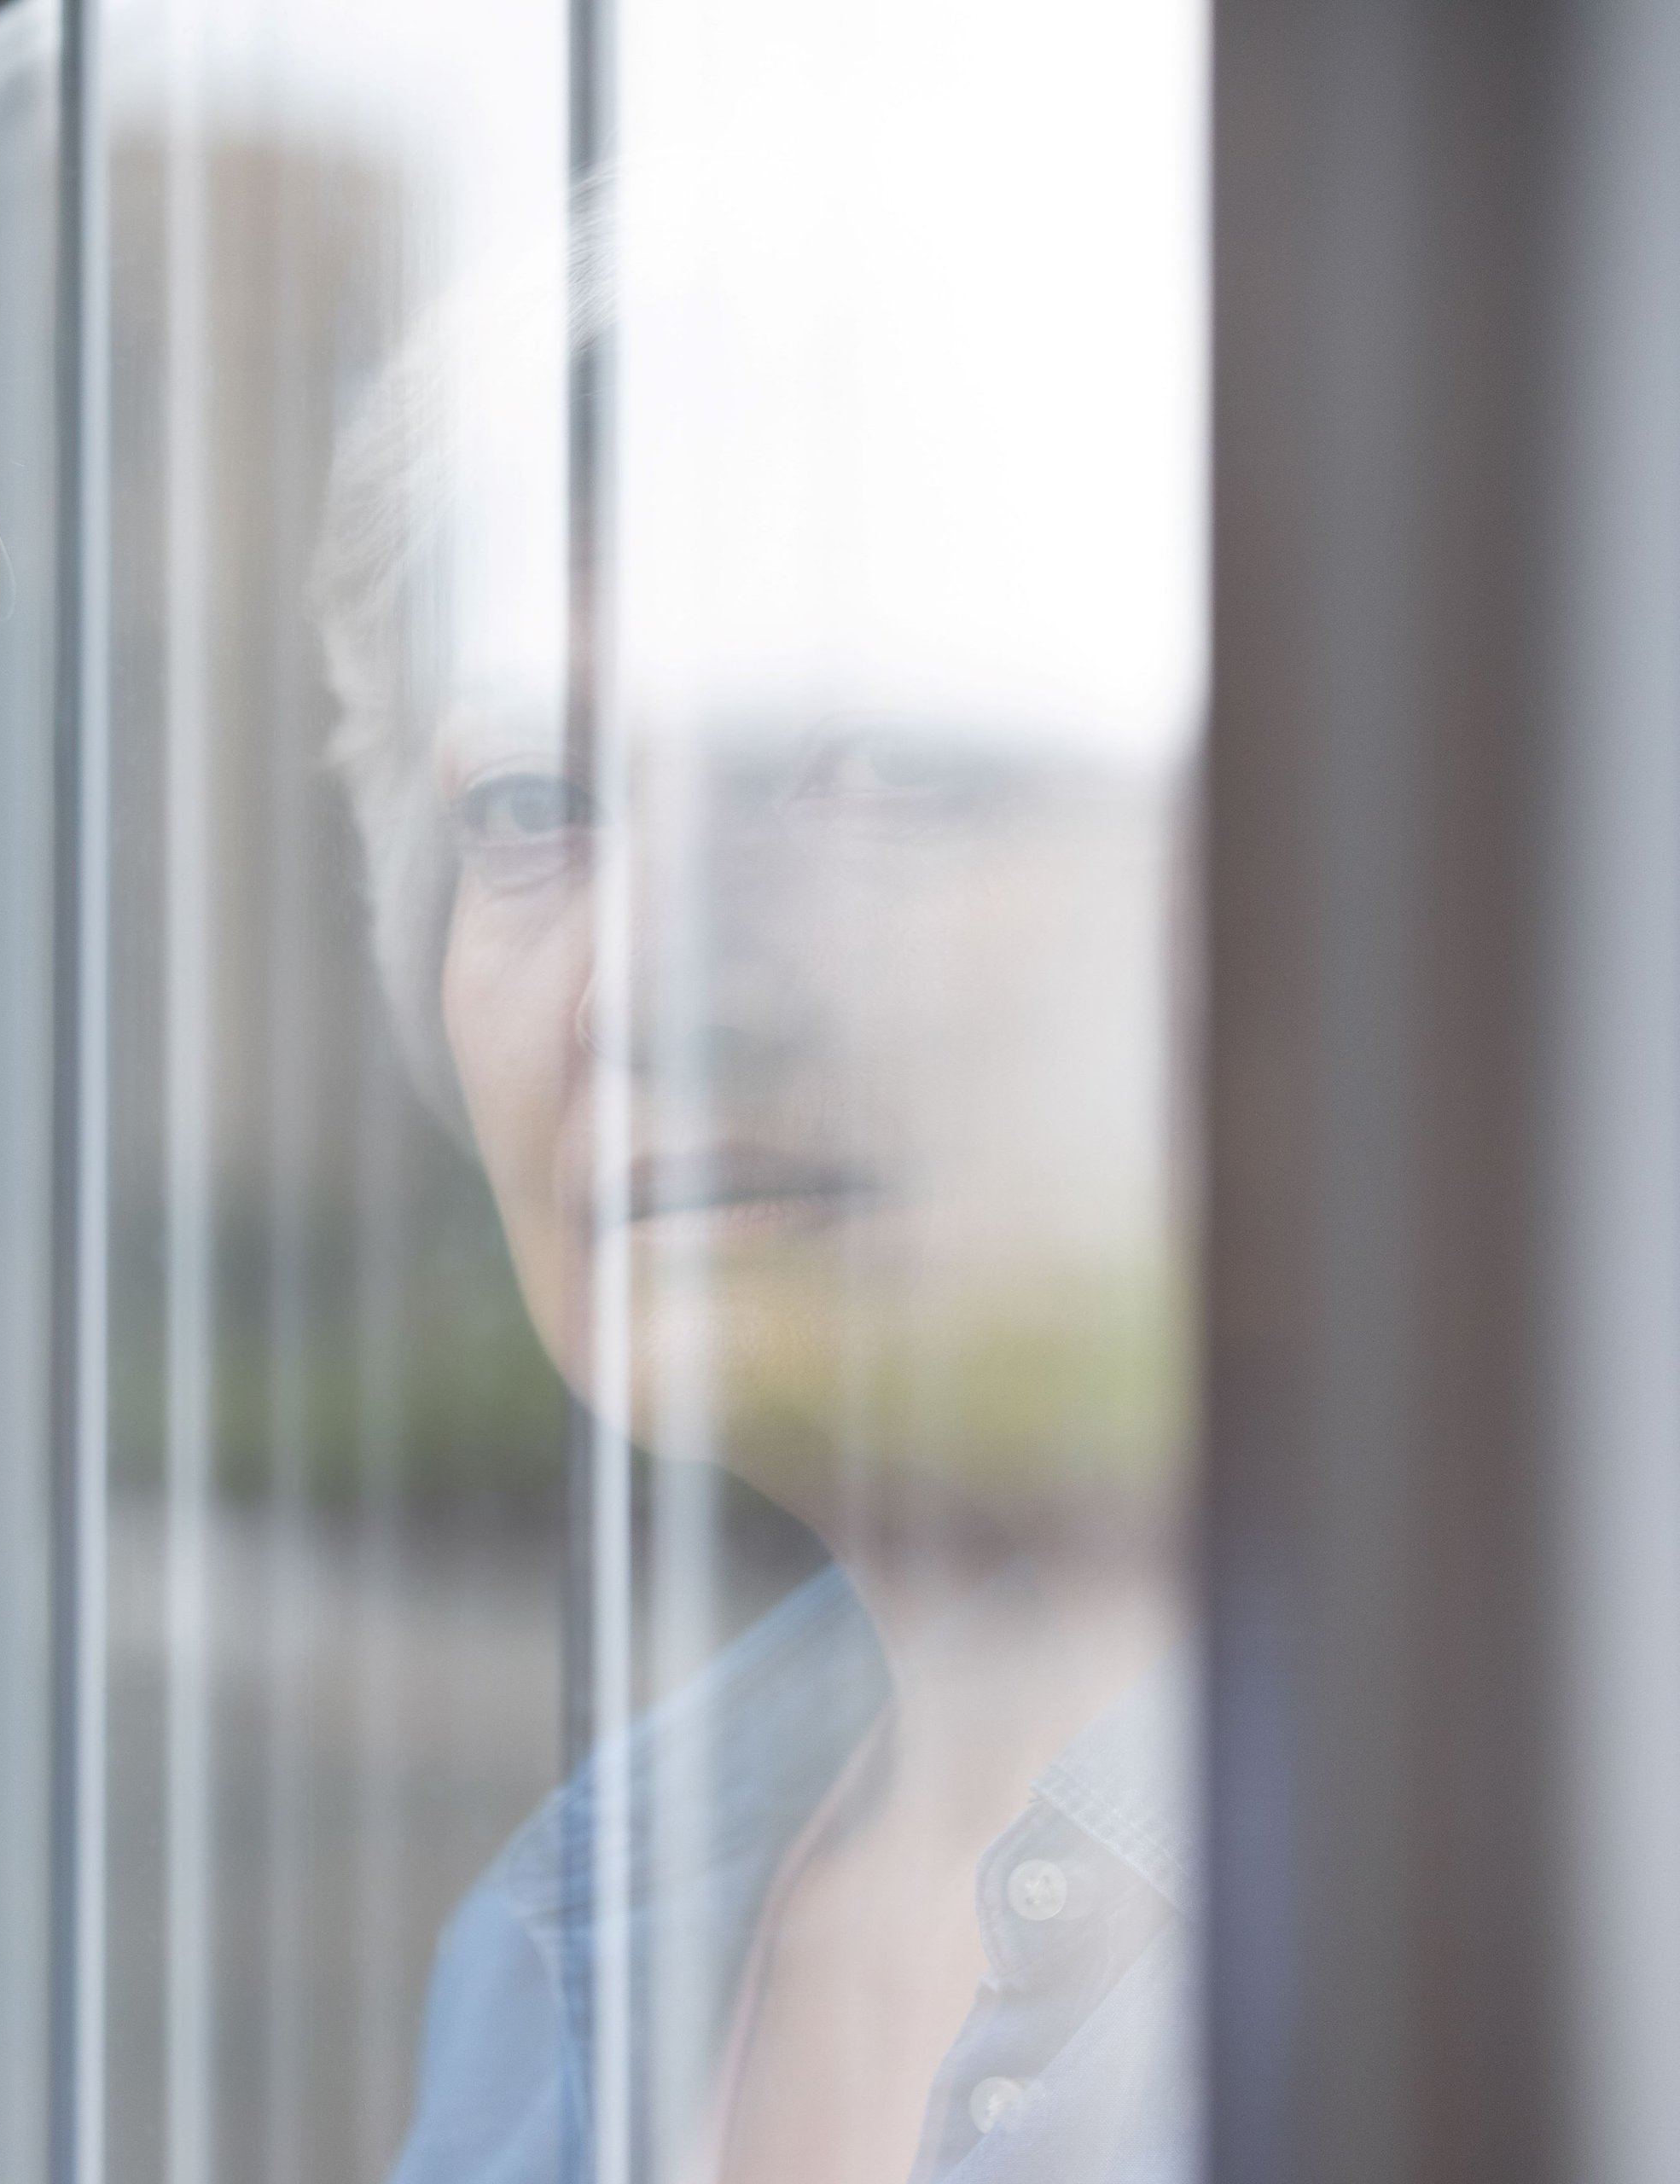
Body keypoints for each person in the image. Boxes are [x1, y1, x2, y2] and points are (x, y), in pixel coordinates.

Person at [318, 187, 1192, 2184]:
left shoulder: (1556, 1908)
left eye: (881, 764)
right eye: (532, 807)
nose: (653, 993)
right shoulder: (554, 1939)